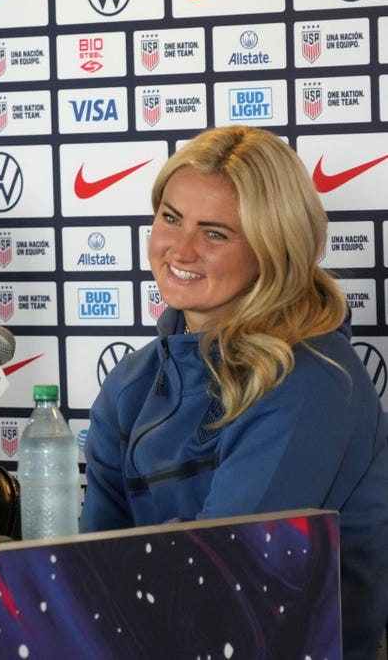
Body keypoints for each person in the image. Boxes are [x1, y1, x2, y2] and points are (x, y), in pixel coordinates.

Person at [79, 126, 388, 659]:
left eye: (216, 233)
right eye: (170, 218)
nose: (181, 248)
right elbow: (91, 574)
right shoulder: (130, 384)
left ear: (272, 247)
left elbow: (219, 582)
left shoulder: (313, 381)